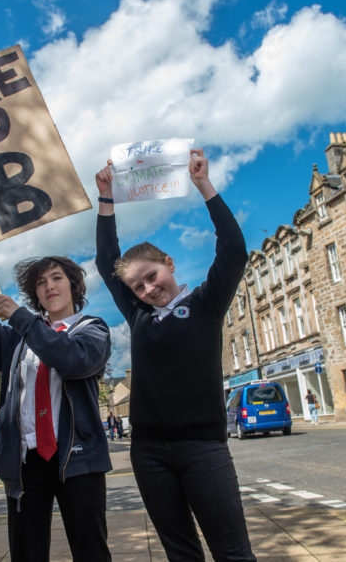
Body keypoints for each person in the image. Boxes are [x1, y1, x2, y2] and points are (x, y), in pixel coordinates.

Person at [95, 149, 256, 561]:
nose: (148, 290)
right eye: (138, 288)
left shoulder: (206, 302)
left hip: (204, 448)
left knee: (233, 554)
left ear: (169, 263)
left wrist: (204, 185)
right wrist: (107, 198)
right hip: (148, 454)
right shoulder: (138, 316)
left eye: (152, 276)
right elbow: (104, 258)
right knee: (181, 555)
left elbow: (234, 250)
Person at [0, 251, 112, 561]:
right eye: (41, 282)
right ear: (35, 293)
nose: (49, 286)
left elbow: (71, 358)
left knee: (90, 550)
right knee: (27, 552)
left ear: (73, 285)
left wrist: (19, 317)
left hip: (77, 459)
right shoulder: (16, 340)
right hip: (26, 463)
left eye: (57, 278)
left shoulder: (93, 330)